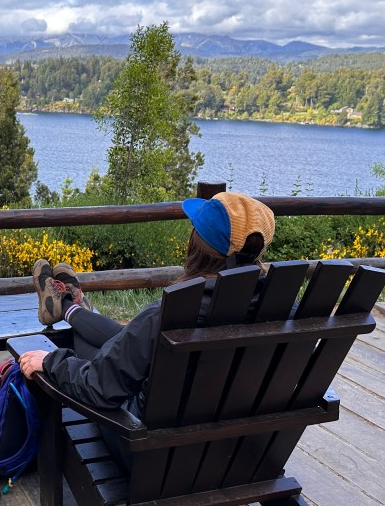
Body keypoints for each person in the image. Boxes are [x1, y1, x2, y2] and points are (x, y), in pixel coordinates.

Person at [18, 192, 276, 447]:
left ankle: (68, 308)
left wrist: (51, 362)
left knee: (91, 343)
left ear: (195, 246)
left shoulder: (169, 314)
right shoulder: (283, 308)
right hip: (242, 450)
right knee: (130, 339)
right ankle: (72, 309)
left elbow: (98, 388)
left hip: (149, 449)